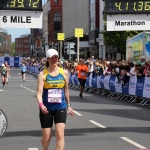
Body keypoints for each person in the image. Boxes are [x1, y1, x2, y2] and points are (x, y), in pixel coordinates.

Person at [37, 49, 73, 150]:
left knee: (60, 134)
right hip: (46, 108)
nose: (54, 59)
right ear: (48, 59)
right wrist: (41, 105)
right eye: (51, 58)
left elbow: (66, 91)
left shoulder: (64, 73)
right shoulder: (42, 74)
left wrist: (69, 105)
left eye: (56, 57)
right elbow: (39, 93)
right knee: (46, 137)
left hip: (60, 107)